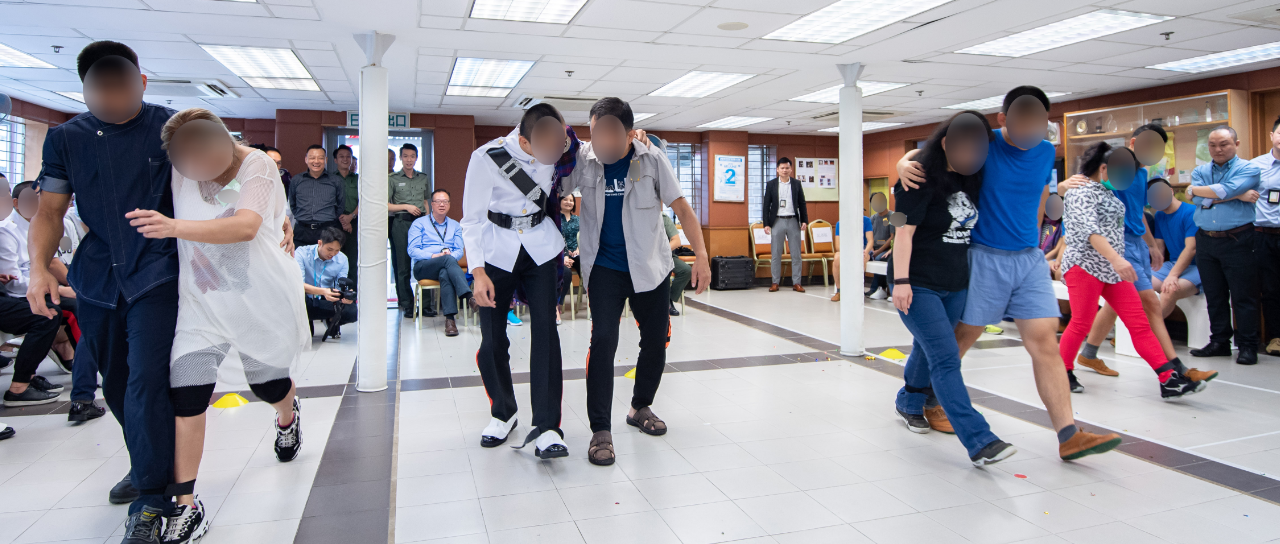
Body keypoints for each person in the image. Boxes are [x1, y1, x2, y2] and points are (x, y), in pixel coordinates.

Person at [897, 86, 1121, 461]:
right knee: (957, 341)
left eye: (1039, 122)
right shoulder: (987, 144)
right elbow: (934, 154)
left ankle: (1068, 434)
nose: (1031, 129)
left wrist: (1042, 246)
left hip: (1027, 258)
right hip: (985, 256)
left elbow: (1038, 195)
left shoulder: (1047, 151)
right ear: (1004, 119)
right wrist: (904, 162)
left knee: (1044, 341)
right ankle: (930, 400)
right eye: (1022, 120)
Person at [125, 108, 308, 543]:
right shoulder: (180, 171)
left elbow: (246, 226)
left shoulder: (257, 164)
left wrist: (172, 227)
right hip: (201, 302)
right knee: (187, 395)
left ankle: (287, 415)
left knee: (266, 384)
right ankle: (186, 504)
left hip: (255, 298)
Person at [29, 41, 182, 540]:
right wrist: (38, 269)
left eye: (122, 87)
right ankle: (145, 462)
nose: (112, 98)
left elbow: (224, 172)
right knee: (114, 383)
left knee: (145, 383)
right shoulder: (65, 138)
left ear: (141, 82)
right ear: (85, 90)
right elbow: (50, 211)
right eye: (101, 89)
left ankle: (154, 503)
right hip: (97, 278)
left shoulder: (172, 128)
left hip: (158, 270)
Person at [563, 97, 710, 466]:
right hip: (605, 268)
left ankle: (639, 407)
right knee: (604, 342)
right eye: (595, 132)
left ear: (629, 134)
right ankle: (600, 429)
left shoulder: (652, 159)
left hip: (649, 266)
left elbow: (682, 209)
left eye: (610, 133)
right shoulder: (584, 158)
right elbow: (554, 178)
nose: (601, 142)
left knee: (656, 341)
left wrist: (703, 256)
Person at [890, 111, 1016, 465]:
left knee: (927, 345)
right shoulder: (917, 178)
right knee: (945, 357)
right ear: (946, 143)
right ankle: (979, 439)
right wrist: (900, 282)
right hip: (918, 283)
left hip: (955, 283)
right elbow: (902, 230)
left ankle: (910, 401)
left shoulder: (974, 177)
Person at [462, 103, 571, 459]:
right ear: (525, 141)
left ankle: (547, 426)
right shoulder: (486, 158)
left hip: (540, 246)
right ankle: (503, 412)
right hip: (497, 251)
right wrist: (477, 272)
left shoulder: (560, 144)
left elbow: (591, 153)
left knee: (546, 332)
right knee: (493, 337)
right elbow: (472, 219)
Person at [1057, 142, 1204, 399]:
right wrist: (1117, 259)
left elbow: (1131, 219)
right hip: (1084, 266)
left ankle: (1168, 378)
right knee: (1081, 322)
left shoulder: (1108, 192)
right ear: (1103, 168)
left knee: (1139, 322)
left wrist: (1137, 251)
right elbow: (1092, 232)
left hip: (1113, 268)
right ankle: (1062, 371)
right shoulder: (1080, 193)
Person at [1186, 126, 1263, 365]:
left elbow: (1211, 192)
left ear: (1236, 144)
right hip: (1206, 239)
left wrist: (1199, 191)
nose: (1217, 149)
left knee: (1243, 296)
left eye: (1224, 144)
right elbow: (1198, 198)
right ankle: (1219, 342)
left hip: (1239, 239)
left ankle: (1248, 346)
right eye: (1212, 145)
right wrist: (1238, 195)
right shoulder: (1201, 170)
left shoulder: (1249, 168)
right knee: (1215, 295)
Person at [0, 183, 72, 408]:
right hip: (18, 293)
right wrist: (58, 288)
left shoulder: (59, 224)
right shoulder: (8, 231)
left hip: (14, 291)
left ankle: (29, 377)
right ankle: (18, 388)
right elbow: (21, 281)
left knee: (58, 309)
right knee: (48, 314)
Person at [409, 189, 470, 337]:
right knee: (447, 260)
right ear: (432, 204)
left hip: (445, 265)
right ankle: (468, 297)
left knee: (445, 272)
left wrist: (448, 256)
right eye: (438, 201)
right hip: (424, 266)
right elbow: (412, 250)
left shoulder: (455, 225)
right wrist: (434, 255)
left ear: (449, 204)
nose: (442, 204)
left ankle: (450, 321)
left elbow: (459, 251)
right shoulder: (419, 223)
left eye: (445, 201)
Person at [1149, 180, 1205, 320]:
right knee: (1139, 283)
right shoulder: (1160, 215)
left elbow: (1191, 249)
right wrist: (1153, 266)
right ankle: (1134, 329)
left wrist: (1173, 275)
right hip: (1173, 264)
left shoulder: (1191, 213)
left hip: (1198, 267)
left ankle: (1148, 333)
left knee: (1169, 290)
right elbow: (1159, 247)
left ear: (1171, 191)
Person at [389, 143, 431, 318]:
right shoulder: (392, 178)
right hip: (401, 223)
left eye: (412, 156)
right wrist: (406, 206)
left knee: (425, 263)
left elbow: (426, 201)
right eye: (405, 156)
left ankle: (426, 305)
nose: (409, 159)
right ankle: (407, 303)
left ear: (416, 158)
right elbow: (385, 205)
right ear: (400, 158)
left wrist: (430, 221)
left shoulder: (423, 177)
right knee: (403, 265)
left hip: (421, 223)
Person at [1251, 117, 1280, 357]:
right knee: (1270, 289)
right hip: (1263, 235)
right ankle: (1275, 337)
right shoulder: (1255, 166)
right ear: (1271, 136)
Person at [297, 227, 358, 330]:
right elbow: (298, 285)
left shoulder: (342, 259)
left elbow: (341, 284)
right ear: (320, 243)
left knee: (352, 312)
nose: (332, 254)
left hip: (327, 299)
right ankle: (308, 320)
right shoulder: (302, 253)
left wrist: (344, 295)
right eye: (329, 249)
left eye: (337, 250)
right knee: (300, 301)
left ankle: (330, 320)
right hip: (305, 298)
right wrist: (323, 291)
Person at [762, 157, 808, 292]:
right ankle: (775, 282)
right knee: (776, 253)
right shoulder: (771, 184)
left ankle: (796, 282)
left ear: (791, 169)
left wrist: (804, 220)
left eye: (787, 168)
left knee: (796, 254)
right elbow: (766, 206)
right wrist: (766, 223)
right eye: (782, 168)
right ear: (777, 170)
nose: (784, 170)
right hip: (777, 220)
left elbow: (802, 203)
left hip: (793, 220)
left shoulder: (796, 184)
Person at [289, 144, 345, 247]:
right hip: (302, 231)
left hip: (327, 230)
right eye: (312, 158)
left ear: (326, 160)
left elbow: (340, 206)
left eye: (320, 158)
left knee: (326, 261)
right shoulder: (296, 180)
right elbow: (293, 204)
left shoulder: (336, 181)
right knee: (299, 261)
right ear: (306, 159)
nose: (316, 161)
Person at [830, 215, 872, 302]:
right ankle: (839, 291)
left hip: (862, 249)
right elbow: (838, 246)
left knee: (862, 258)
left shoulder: (866, 221)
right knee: (837, 257)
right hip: (846, 250)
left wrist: (866, 251)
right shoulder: (840, 224)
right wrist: (850, 252)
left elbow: (870, 240)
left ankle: (857, 291)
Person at [334, 145, 359, 283]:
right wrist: (343, 221)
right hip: (333, 223)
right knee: (333, 258)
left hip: (353, 223)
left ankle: (350, 295)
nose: (345, 159)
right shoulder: (329, 178)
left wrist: (350, 217)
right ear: (335, 160)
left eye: (348, 156)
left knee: (351, 259)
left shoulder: (358, 179)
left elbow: (364, 201)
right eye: (341, 156)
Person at [866, 192, 894, 299]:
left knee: (878, 258)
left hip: (886, 248)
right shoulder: (873, 218)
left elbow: (892, 237)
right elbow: (870, 236)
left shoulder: (892, 216)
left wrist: (877, 251)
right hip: (873, 247)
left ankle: (878, 288)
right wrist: (871, 248)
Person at [556, 193, 579, 324]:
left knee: (589, 267)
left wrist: (579, 249)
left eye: (571, 200)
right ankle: (558, 303)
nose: (569, 202)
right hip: (560, 255)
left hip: (576, 253)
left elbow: (584, 237)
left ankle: (594, 304)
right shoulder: (555, 219)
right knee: (566, 273)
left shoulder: (578, 220)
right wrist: (564, 255)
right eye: (565, 200)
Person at [663, 213, 691, 316]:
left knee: (686, 270)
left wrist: (661, 252)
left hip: (665, 254)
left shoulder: (663, 218)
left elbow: (676, 241)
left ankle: (669, 299)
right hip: (644, 258)